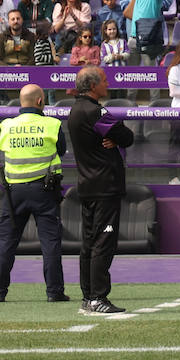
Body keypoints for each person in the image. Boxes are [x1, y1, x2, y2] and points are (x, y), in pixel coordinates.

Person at [0, 83, 68, 304]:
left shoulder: (6, 125)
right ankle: (54, 292)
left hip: (14, 193)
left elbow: (3, 148)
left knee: (6, 243)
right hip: (44, 190)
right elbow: (61, 150)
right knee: (50, 243)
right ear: (41, 101)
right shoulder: (52, 124)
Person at [65, 66, 135, 315]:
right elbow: (127, 136)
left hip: (87, 185)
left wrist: (113, 136)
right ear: (93, 85)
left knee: (89, 242)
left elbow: (115, 135)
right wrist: (116, 136)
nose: (108, 84)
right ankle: (98, 297)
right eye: (104, 80)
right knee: (104, 242)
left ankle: (88, 296)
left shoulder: (75, 110)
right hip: (105, 186)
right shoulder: (95, 112)